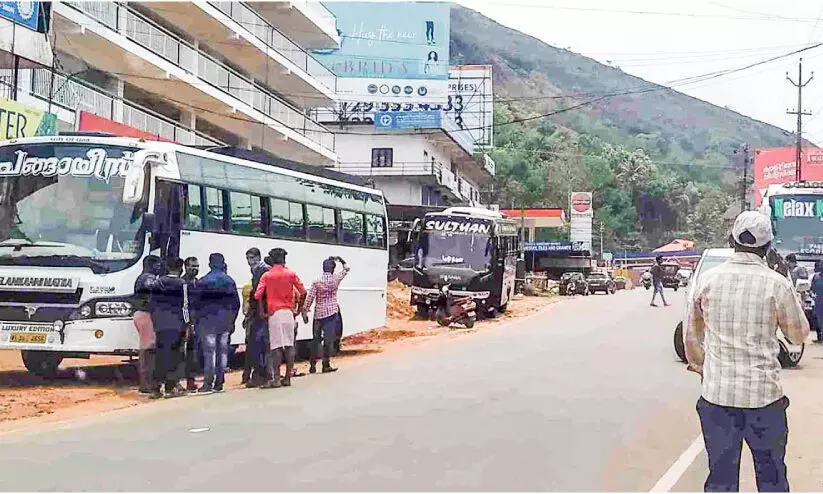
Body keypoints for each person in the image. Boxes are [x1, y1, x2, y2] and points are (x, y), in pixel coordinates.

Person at [684, 211, 810, 492]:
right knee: (772, 478)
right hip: (764, 399)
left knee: (721, 479)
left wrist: (705, 371)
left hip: (718, 397)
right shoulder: (777, 284)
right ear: (768, 248)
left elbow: (691, 338)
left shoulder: (708, 281)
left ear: (731, 240)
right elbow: (798, 335)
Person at [253, 248, 306, 388]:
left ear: (271, 259)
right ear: (284, 259)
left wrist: (262, 312)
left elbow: (257, 295)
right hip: (288, 313)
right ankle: (288, 377)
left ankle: (276, 378)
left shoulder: (267, 275)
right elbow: (303, 292)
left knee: (276, 347)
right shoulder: (291, 274)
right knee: (289, 345)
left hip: (274, 314)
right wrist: (298, 310)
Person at [192, 253, 240, 394]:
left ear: (209, 264)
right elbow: (236, 304)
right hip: (224, 321)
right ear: (223, 263)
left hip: (207, 321)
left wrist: (195, 321)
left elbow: (196, 304)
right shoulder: (229, 281)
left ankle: (208, 383)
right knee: (222, 352)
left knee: (209, 353)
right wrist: (232, 321)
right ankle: (219, 383)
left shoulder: (203, 281)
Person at [148, 257, 191, 399]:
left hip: (160, 324)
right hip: (177, 325)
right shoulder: (182, 283)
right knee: (175, 356)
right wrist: (187, 323)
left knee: (161, 355)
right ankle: (170, 387)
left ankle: (156, 387)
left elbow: (152, 304)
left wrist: (155, 321)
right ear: (181, 269)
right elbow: (184, 305)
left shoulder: (157, 283)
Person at [303, 256, 350, 374]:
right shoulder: (335, 279)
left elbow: (310, 298)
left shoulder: (316, 281)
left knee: (316, 339)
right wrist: (341, 260)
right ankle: (325, 364)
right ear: (333, 269)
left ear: (323, 268)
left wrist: (305, 311)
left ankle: (312, 365)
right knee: (328, 340)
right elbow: (346, 269)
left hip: (318, 313)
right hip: (331, 313)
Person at [133, 255, 162, 394]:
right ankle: (146, 384)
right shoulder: (147, 278)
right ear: (150, 265)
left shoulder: (144, 277)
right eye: (157, 265)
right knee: (147, 350)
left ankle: (147, 383)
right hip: (145, 314)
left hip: (144, 314)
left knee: (148, 349)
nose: (159, 268)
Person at [243, 247, 270, 387]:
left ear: (258, 257)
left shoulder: (260, 269)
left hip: (261, 312)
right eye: (248, 258)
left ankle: (260, 375)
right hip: (264, 311)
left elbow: (259, 293)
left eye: (252, 258)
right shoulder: (263, 268)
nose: (249, 261)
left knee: (257, 344)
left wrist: (256, 309)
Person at [182, 256, 200, 392]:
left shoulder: (198, 283)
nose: (194, 268)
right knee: (182, 354)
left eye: (196, 266)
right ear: (185, 267)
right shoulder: (183, 283)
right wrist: (189, 324)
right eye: (192, 266)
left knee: (193, 354)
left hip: (197, 323)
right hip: (185, 324)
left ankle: (191, 381)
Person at [811, 260, 823, 344]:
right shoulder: (816, 277)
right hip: (819, 304)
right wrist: (813, 296)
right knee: (819, 324)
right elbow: (812, 290)